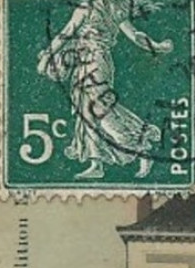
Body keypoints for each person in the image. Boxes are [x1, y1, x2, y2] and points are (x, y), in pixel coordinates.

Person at [36, 0, 171, 180]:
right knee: (86, 113)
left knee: (100, 111)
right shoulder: (113, 9)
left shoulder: (89, 8)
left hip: (94, 63)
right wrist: (157, 46)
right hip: (88, 62)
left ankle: (141, 147)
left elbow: (66, 34)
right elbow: (136, 36)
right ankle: (96, 163)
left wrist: (46, 57)